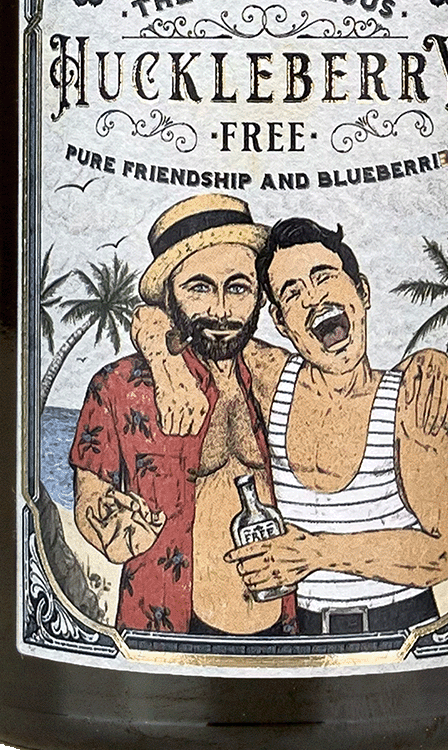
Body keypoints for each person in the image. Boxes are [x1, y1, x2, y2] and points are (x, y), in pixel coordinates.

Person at [223, 217, 448, 638]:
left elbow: (444, 555)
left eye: (324, 276)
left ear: (362, 292)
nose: (313, 298)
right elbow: (183, 320)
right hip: (304, 634)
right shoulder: (272, 378)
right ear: (282, 323)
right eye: (292, 292)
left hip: (400, 632)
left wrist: (316, 553)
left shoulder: (410, 399)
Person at [68, 193, 292, 636]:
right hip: (165, 624)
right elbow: (90, 499)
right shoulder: (119, 386)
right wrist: (110, 526)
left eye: (238, 287)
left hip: (286, 626)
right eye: (199, 288)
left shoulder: (281, 377)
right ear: (169, 297)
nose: (222, 310)